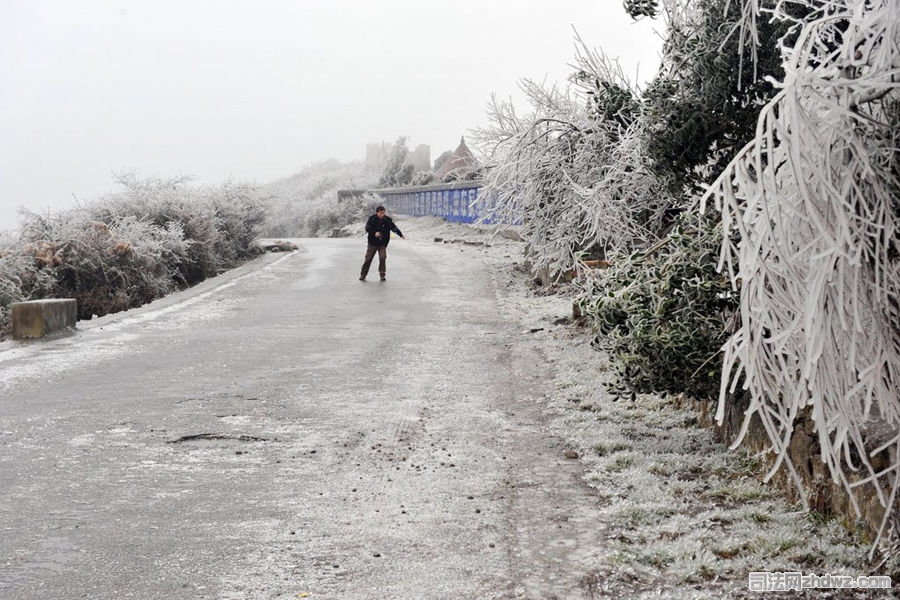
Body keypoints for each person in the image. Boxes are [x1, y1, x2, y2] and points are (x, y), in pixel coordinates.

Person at [359, 205, 405, 281]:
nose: (382, 215)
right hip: (372, 243)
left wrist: (400, 234)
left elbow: (394, 227)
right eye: (380, 213)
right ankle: (363, 274)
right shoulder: (372, 219)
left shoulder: (387, 220)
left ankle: (382, 274)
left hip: (382, 243)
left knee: (383, 258)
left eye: (383, 213)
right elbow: (367, 228)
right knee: (368, 259)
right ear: (377, 213)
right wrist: (374, 233)